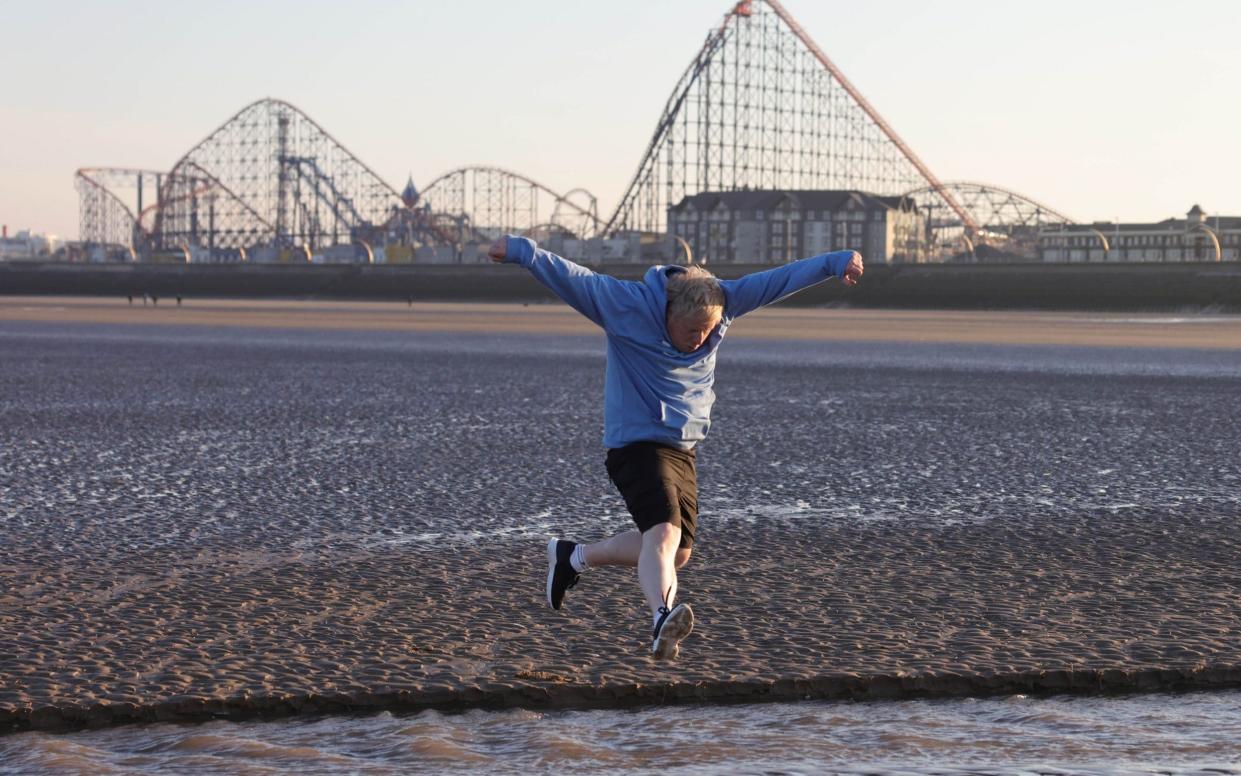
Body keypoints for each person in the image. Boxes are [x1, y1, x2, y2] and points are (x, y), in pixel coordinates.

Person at [489, 235, 863, 660]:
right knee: (664, 534)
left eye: (707, 333)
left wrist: (835, 261)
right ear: (669, 314)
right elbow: (575, 278)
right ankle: (660, 619)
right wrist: (520, 251)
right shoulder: (625, 305)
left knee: (677, 551)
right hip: (635, 443)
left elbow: (778, 280)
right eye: (690, 332)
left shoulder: (724, 300)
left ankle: (572, 558)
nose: (699, 341)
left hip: (683, 447)